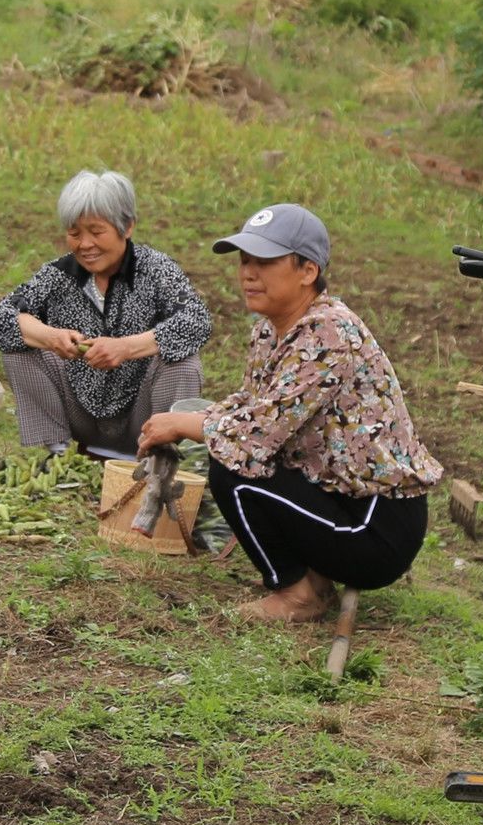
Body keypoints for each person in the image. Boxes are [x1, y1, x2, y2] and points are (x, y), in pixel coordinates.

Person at [133, 204, 442, 622]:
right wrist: (192, 421)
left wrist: (187, 424)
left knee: (234, 469)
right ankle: (313, 579)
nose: (248, 273)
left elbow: (257, 434)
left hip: (375, 528)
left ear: (307, 271)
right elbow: (253, 403)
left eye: (264, 262)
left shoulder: (327, 331)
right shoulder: (272, 327)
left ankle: (298, 594)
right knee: (231, 446)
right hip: (341, 502)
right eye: (244, 261)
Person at [0, 169, 211, 458]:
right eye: (74, 233)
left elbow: (196, 321)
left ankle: (160, 458)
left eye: (96, 232)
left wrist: (125, 347)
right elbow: (1, 319)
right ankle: (57, 453)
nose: (85, 244)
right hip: (80, 414)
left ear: (127, 227)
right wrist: (50, 336)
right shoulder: (59, 275)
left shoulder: (155, 270)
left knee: (183, 363)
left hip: (141, 418)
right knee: (20, 345)